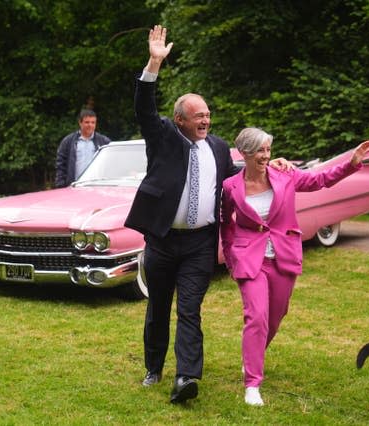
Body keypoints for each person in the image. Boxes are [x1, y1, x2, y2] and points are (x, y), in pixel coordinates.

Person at [124, 25, 290, 404]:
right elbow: (143, 108)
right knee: (158, 306)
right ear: (180, 119)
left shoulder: (217, 147)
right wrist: (154, 62)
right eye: (198, 116)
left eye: (208, 115)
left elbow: (241, 175)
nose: (205, 121)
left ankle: (186, 377)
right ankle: (154, 366)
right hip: (163, 240)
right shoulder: (163, 135)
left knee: (190, 309)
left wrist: (272, 166)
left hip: (201, 242)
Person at [220, 127, 369, 406]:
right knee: (256, 316)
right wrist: (231, 259)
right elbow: (226, 225)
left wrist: (351, 164)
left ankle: (252, 356)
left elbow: (321, 180)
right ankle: (252, 384)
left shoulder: (285, 175)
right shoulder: (231, 186)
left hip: (283, 254)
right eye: (259, 151)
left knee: (276, 315)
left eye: (268, 149)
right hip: (249, 257)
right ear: (244, 153)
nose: (266, 156)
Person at [55, 109, 111, 187]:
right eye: (87, 122)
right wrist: (61, 185)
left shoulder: (104, 141)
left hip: (97, 186)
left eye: (93, 122)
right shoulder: (68, 141)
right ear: (80, 123)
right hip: (74, 186)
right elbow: (60, 164)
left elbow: (111, 164)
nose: (90, 125)